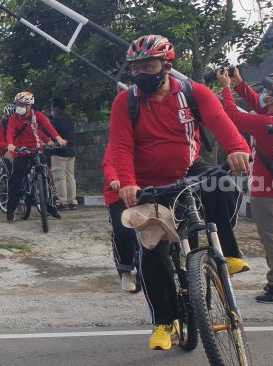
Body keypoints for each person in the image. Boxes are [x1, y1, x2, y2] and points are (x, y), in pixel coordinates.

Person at [108, 35, 252, 350]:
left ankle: (226, 250)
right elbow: (120, 146)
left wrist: (238, 148)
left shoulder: (193, 93)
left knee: (223, 185)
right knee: (152, 252)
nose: (142, 72)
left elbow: (221, 122)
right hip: (146, 184)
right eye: (136, 68)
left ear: (167, 66)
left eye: (149, 65)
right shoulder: (125, 101)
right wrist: (129, 182)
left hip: (188, 170)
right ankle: (164, 322)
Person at [218, 69, 273, 304]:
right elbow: (258, 103)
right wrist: (239, 83)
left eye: (268, 92)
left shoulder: (266, 124)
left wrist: (225, 86)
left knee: (272, 241)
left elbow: (232, 114)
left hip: (268, 193)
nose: (264, 94)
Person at [5, 91, 67, 223]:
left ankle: (50, 206)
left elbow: (48, 126)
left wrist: (58, 138)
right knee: (15, 181)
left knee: (45, 176)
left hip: (36, 149)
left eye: (22, 104)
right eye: (17, 104)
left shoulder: (37, 116)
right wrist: (10, 144)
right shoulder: (13, 118)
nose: (19, 107)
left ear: (29, 106)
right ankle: (10, 211)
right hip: (21, 151)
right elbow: (10, 131)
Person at [103, 143, 138, 292]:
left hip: (143, 190)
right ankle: (126, 270)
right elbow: (108, 163)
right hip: (118, 192)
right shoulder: (117, 141)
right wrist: (113, 179)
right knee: (124, 229)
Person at [50, 97, 78, 210]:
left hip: (58, 152)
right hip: (71, 151)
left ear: (55, 107)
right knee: (70, 177)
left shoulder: (55, 120)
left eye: (52, 106)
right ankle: (72, 201)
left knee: (59, 178)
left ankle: (62, 201)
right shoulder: (70, 118)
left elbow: (51, 134)